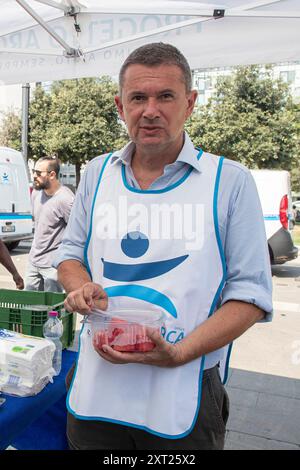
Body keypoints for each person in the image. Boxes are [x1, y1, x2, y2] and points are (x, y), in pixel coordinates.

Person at [55, 43, 273, 450]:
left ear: (189, 103)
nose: (150, 110)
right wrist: (79, 287)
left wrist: (178, 353)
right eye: (138, 98)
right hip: (98, 387)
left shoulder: (229, 180)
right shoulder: (97, 172)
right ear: (120, 106)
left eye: (165, 96)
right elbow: (70, 256)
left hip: (183, 387)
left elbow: (251, 296)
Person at [25, 156, 74, 292]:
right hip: (33, 261)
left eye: (38, 173)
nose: (34, 176)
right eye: (34, 171)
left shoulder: (65, 199)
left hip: (53, 266)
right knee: (29, 307)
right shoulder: (36, 193)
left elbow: (77, 232)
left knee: (52, 310)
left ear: (52, 174)